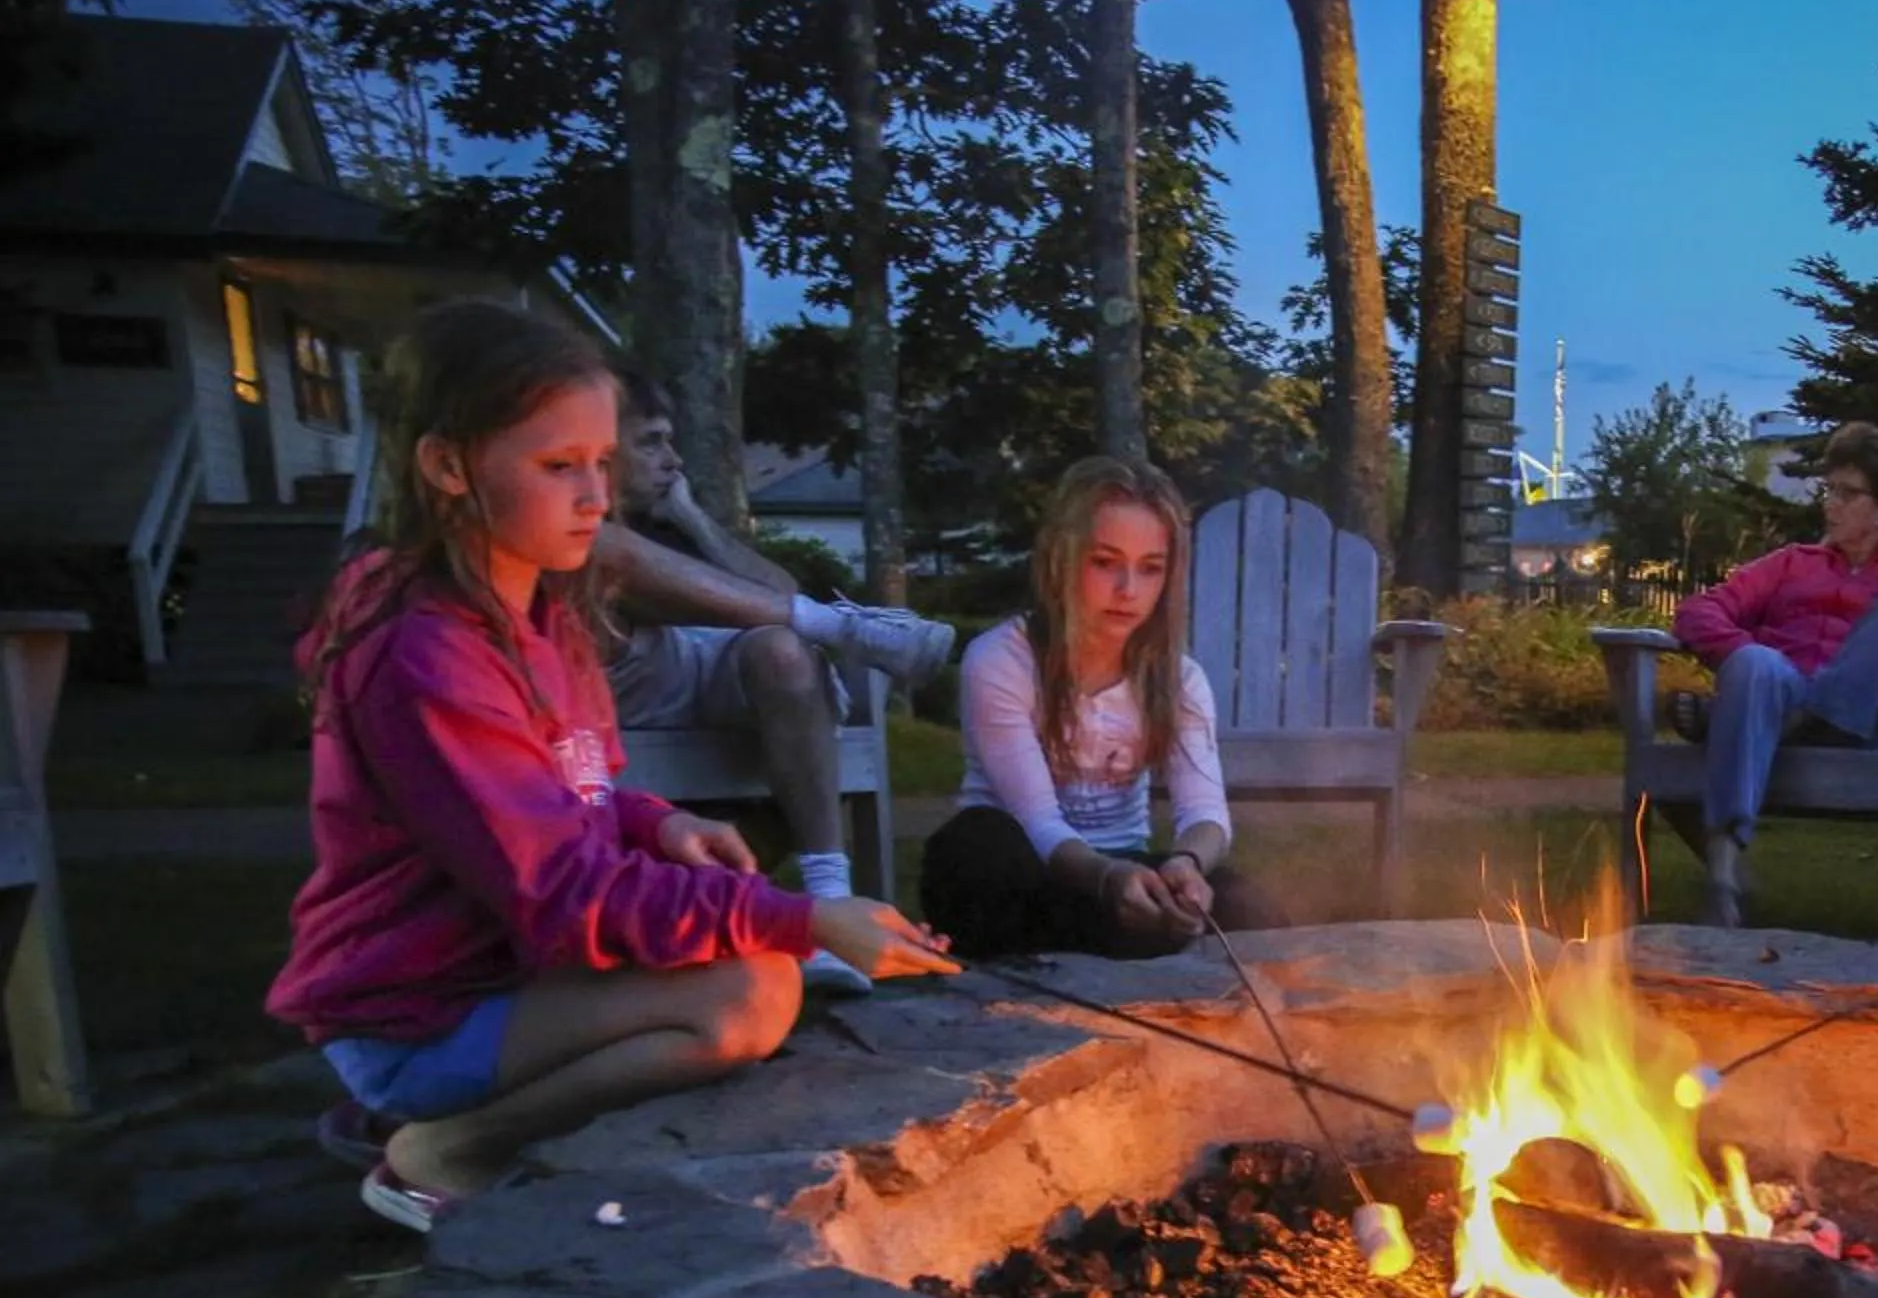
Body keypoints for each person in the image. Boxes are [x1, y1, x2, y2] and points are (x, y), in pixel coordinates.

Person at [267, 300, 958, 1233]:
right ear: (447, 467)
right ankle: (443, 1151)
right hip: (419, 1009)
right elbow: (565, 894)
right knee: (752, 990)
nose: (596, 496)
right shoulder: (426, 657)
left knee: (755, 965)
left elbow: (561, 792)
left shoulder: (542, 613)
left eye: (601, 463)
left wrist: (654, 822)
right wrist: (809, 920)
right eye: (560, 467)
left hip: (499, 974)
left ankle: (458, 1120)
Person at [595, 369, 959, 995]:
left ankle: (831, 900)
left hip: (688, 668)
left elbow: (780, 592)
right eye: (652, 441)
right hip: (616, 683)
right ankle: (845, 627)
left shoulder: (666, 518)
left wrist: (691, 516)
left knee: (786, 653)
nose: (672, 458)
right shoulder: (569, 529)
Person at [920, 455, 1281, 958]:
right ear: (1062, 560)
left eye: (1150, 569)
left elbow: (1205, 813)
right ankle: (1121, 937)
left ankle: (1127, 935)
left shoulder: (1180, 679)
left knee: (1248, 903)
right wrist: (1107, 880)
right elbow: (1040, 823)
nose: (1128, 591)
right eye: (1105, 562)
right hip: (1025, 863)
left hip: (1124, 862)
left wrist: (1187, 865)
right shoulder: (1002, 659)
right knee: (973, 851)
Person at [1668, 421, 1878, 926]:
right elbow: (1697, 613)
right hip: (1778, 713)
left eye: (1849, 494)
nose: (1831, 503)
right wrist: (1745, 661)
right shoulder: (1791, 564)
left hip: (1877, 732)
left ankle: (1778, 716)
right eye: (1829, 490)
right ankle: (1722, 880)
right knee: (1757, 663)